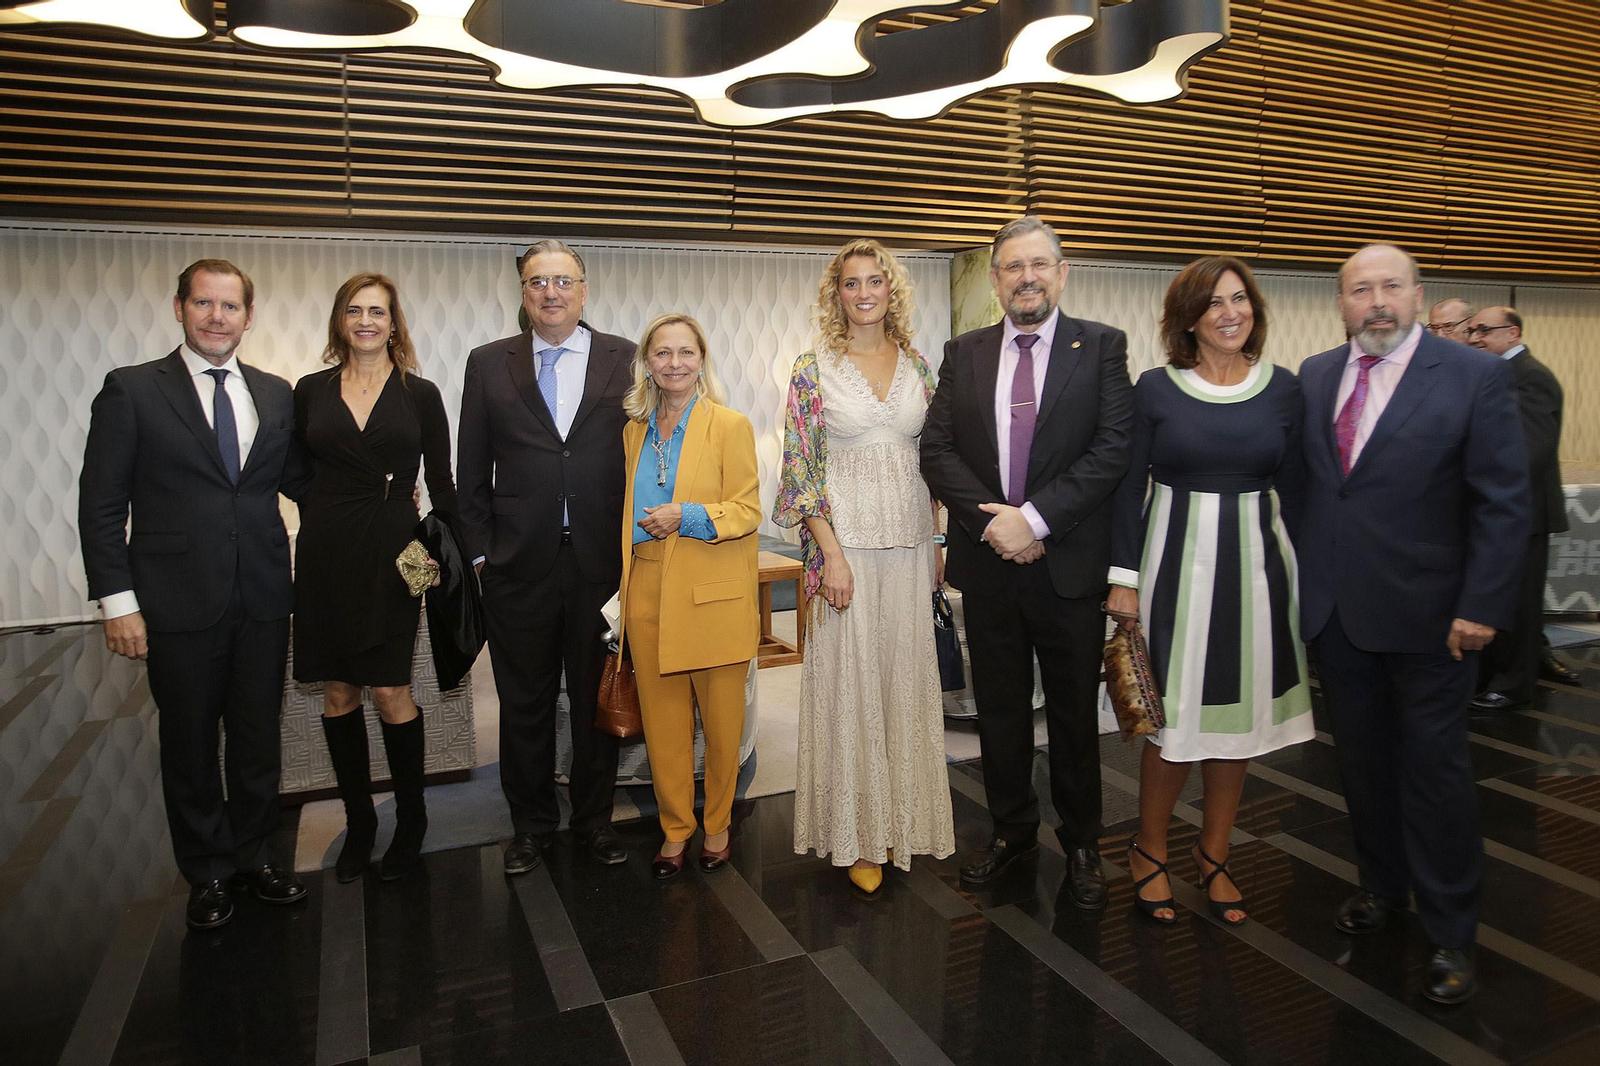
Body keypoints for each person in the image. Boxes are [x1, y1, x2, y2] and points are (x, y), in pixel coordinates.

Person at [1297, 243, 1529, 1004]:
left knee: (1435, 776)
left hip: (1436, 621)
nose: (1376, 302)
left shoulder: (1475, 375)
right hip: (1340, 616)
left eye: (1390, 287)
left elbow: (1502, 499)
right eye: (1360, 290)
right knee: (1361, 769)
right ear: (1343, 303)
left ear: (1419, 294)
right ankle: (1383, 888)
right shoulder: (1319, 376)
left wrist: (1482, 604)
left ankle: (1453, 929)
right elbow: (1314, 495)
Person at [78, 259, 312, 930]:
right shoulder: (131, 391)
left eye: (230, 306)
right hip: (175, 601)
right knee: (188, 741)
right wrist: (118, 603)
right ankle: (206, 872)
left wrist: (382, 498)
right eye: (204, 304)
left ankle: (255, 859)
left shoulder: (274, 394)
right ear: (179, 308)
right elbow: (101, 506)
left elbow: (301, 483)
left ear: (248, 316)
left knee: (257, 737)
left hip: (265, 595)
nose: (217, 317)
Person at [920, 215, 1133, 905]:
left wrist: (1035, 519)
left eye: (1039, 264)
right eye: (1012, 267)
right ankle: (1012, 832)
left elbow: (1111, 451)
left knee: (1073, 715)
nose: (1027, 277)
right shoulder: (965, 351)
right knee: (1001, 711)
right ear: (995, 279)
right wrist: (997, 527)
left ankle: (1081, 845)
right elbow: (937, 452)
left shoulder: (1100, 346)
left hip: (1066, 564)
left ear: (1061, 273)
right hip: (989, 566)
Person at [1105, 256, 1313, 926]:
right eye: (1215, 303)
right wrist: (1125, 582)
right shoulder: (1156, 389)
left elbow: (1303, 490)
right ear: (1188, 318)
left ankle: (1215, 852)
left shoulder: (1283, 388)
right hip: (1175, 571)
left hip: (1259, 570)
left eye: (1241, 300)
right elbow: (1126, 488)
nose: (1231, 313)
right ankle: (1149, 849)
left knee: (1238, 722)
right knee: (1173, 723)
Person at [775, 239, 956, 895]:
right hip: (845, 552)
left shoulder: (920, 367)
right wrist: (832, 554)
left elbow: (937, 462)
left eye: (875, 281)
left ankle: (901, 822)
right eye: (851, 283)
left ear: (891, 290)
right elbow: (800, 473)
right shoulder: (811, 369)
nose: (864, 292)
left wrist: (937, 545)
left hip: (909, 549)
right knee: (851, 691)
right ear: (837, 295)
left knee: (902, 684)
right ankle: (856, 833)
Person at [457, 239, 633, 873]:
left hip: (602, 564)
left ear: (584, 291)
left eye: (563, 281)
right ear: (523, 294)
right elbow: (468, 471)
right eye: (537, 282)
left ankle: (594, 823)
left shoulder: (627, 359)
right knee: (524, 703)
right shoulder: (487, 364)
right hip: (517, 566)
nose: (551, 292)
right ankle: (530, 826)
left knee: (595, 699)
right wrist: (481, 557)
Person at [293, 273, 457, 883]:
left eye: (378, 312)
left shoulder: (421, 393)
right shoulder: (309, 391)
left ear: (395, 324)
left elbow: (441, 483)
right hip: (326, 550)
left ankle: (410, 820)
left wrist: (455, 558)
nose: (366, 321)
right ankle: (360, 822)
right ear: (341, 320)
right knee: (339, 691)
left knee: (391, 688)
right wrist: (334, 500)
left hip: (399, 549)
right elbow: (291, 469)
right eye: (355, 311)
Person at [617, 313, 761, 879]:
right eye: (662, 353)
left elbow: (749, 510)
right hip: (648, 589)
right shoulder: (633, 431)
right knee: (664, 727)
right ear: (646, 364)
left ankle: (719, 825)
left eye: (685, 352)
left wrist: (689, 515)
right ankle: (675, 829)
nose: (674, 363)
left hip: (712, 595)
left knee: (724, 727)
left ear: (701, 360)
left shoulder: (729, 425)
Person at [1465, 306, 1570, 710]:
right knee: (1497, 601)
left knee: (1522, 607)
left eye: (1484, 331)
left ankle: (1514, 686)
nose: (1475, 337)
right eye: (1472, 330)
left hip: (1524, 516)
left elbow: (1527, 453)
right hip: (1497, 514)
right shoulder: (1493, 375)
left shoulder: (1532, 378)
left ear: (1513, 333)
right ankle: (1492, 677)